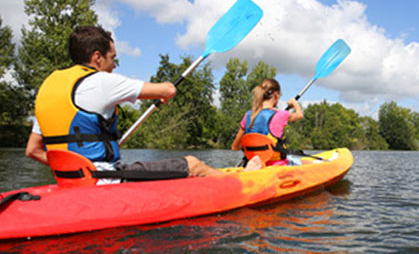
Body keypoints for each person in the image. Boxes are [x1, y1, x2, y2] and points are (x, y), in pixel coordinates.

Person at [26, 25, 260, 184]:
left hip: (71, 182)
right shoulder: (101, 81)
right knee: (192, 163)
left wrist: (75, 170)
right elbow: (167, 89)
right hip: (103, 181)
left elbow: (33, 150)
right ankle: (240, 182)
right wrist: (164, 94)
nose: (114, 65)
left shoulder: (50, 89)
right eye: (112, 58)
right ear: (97, 57)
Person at [231, 78, 304, 166]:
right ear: (276, 95)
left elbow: (234, 147)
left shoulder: (248, 115)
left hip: (253, 165)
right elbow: (300, 115)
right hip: (276, 165)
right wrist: (294, 103)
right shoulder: (281, 114)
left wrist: (253, 150)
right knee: (298, 160)